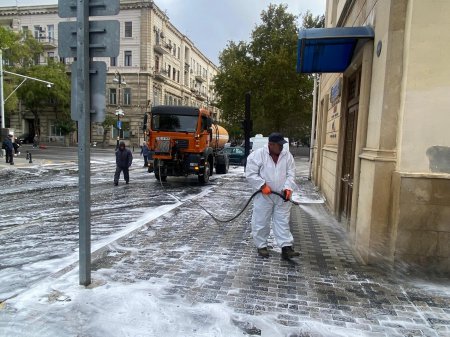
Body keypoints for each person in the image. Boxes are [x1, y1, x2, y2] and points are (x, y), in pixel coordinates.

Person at [245, 132, 299, 259]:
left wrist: (288, 188)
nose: (281, 147)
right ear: (270, 144)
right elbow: (250, 173)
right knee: (261, 220)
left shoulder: (287, 155)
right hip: (264, 195)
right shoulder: (258, 155)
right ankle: (261, 246)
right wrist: (262, 185)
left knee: (283, 221)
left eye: (282, 145)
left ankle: (286, 247)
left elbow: (291, 173)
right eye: (279, 145)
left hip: (282, 195)